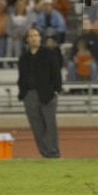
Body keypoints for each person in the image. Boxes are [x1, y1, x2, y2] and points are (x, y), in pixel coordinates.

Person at [17, 27, 62, 158]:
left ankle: (54, 152)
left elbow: (56, 73)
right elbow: (21, 77)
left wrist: (56, 90)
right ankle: (44, 153)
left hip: (47, 94)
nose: (33, 38)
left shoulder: (49, 53)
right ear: (27, 39)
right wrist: (22, 93)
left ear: (40, 37)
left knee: (50, 125)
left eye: (36, 35)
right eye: (31, 36)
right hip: (29, 95)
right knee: (36, 127)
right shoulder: (24, 58)